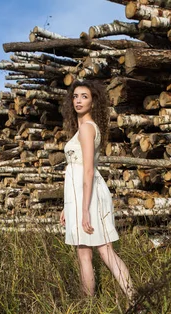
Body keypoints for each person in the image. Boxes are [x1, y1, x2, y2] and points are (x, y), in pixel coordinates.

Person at [59, 80, 135, 302]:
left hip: (88, 196)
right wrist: (68, 206)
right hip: (81, 196)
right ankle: (91, 306)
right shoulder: (86, 127)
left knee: (103, 251)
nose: (78, 100)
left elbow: (89, 171)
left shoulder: (86, 128)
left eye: (84, 96)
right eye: (75, 96)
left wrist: (84, 211)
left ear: (93, 102)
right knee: (86, 253)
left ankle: (134, 301)